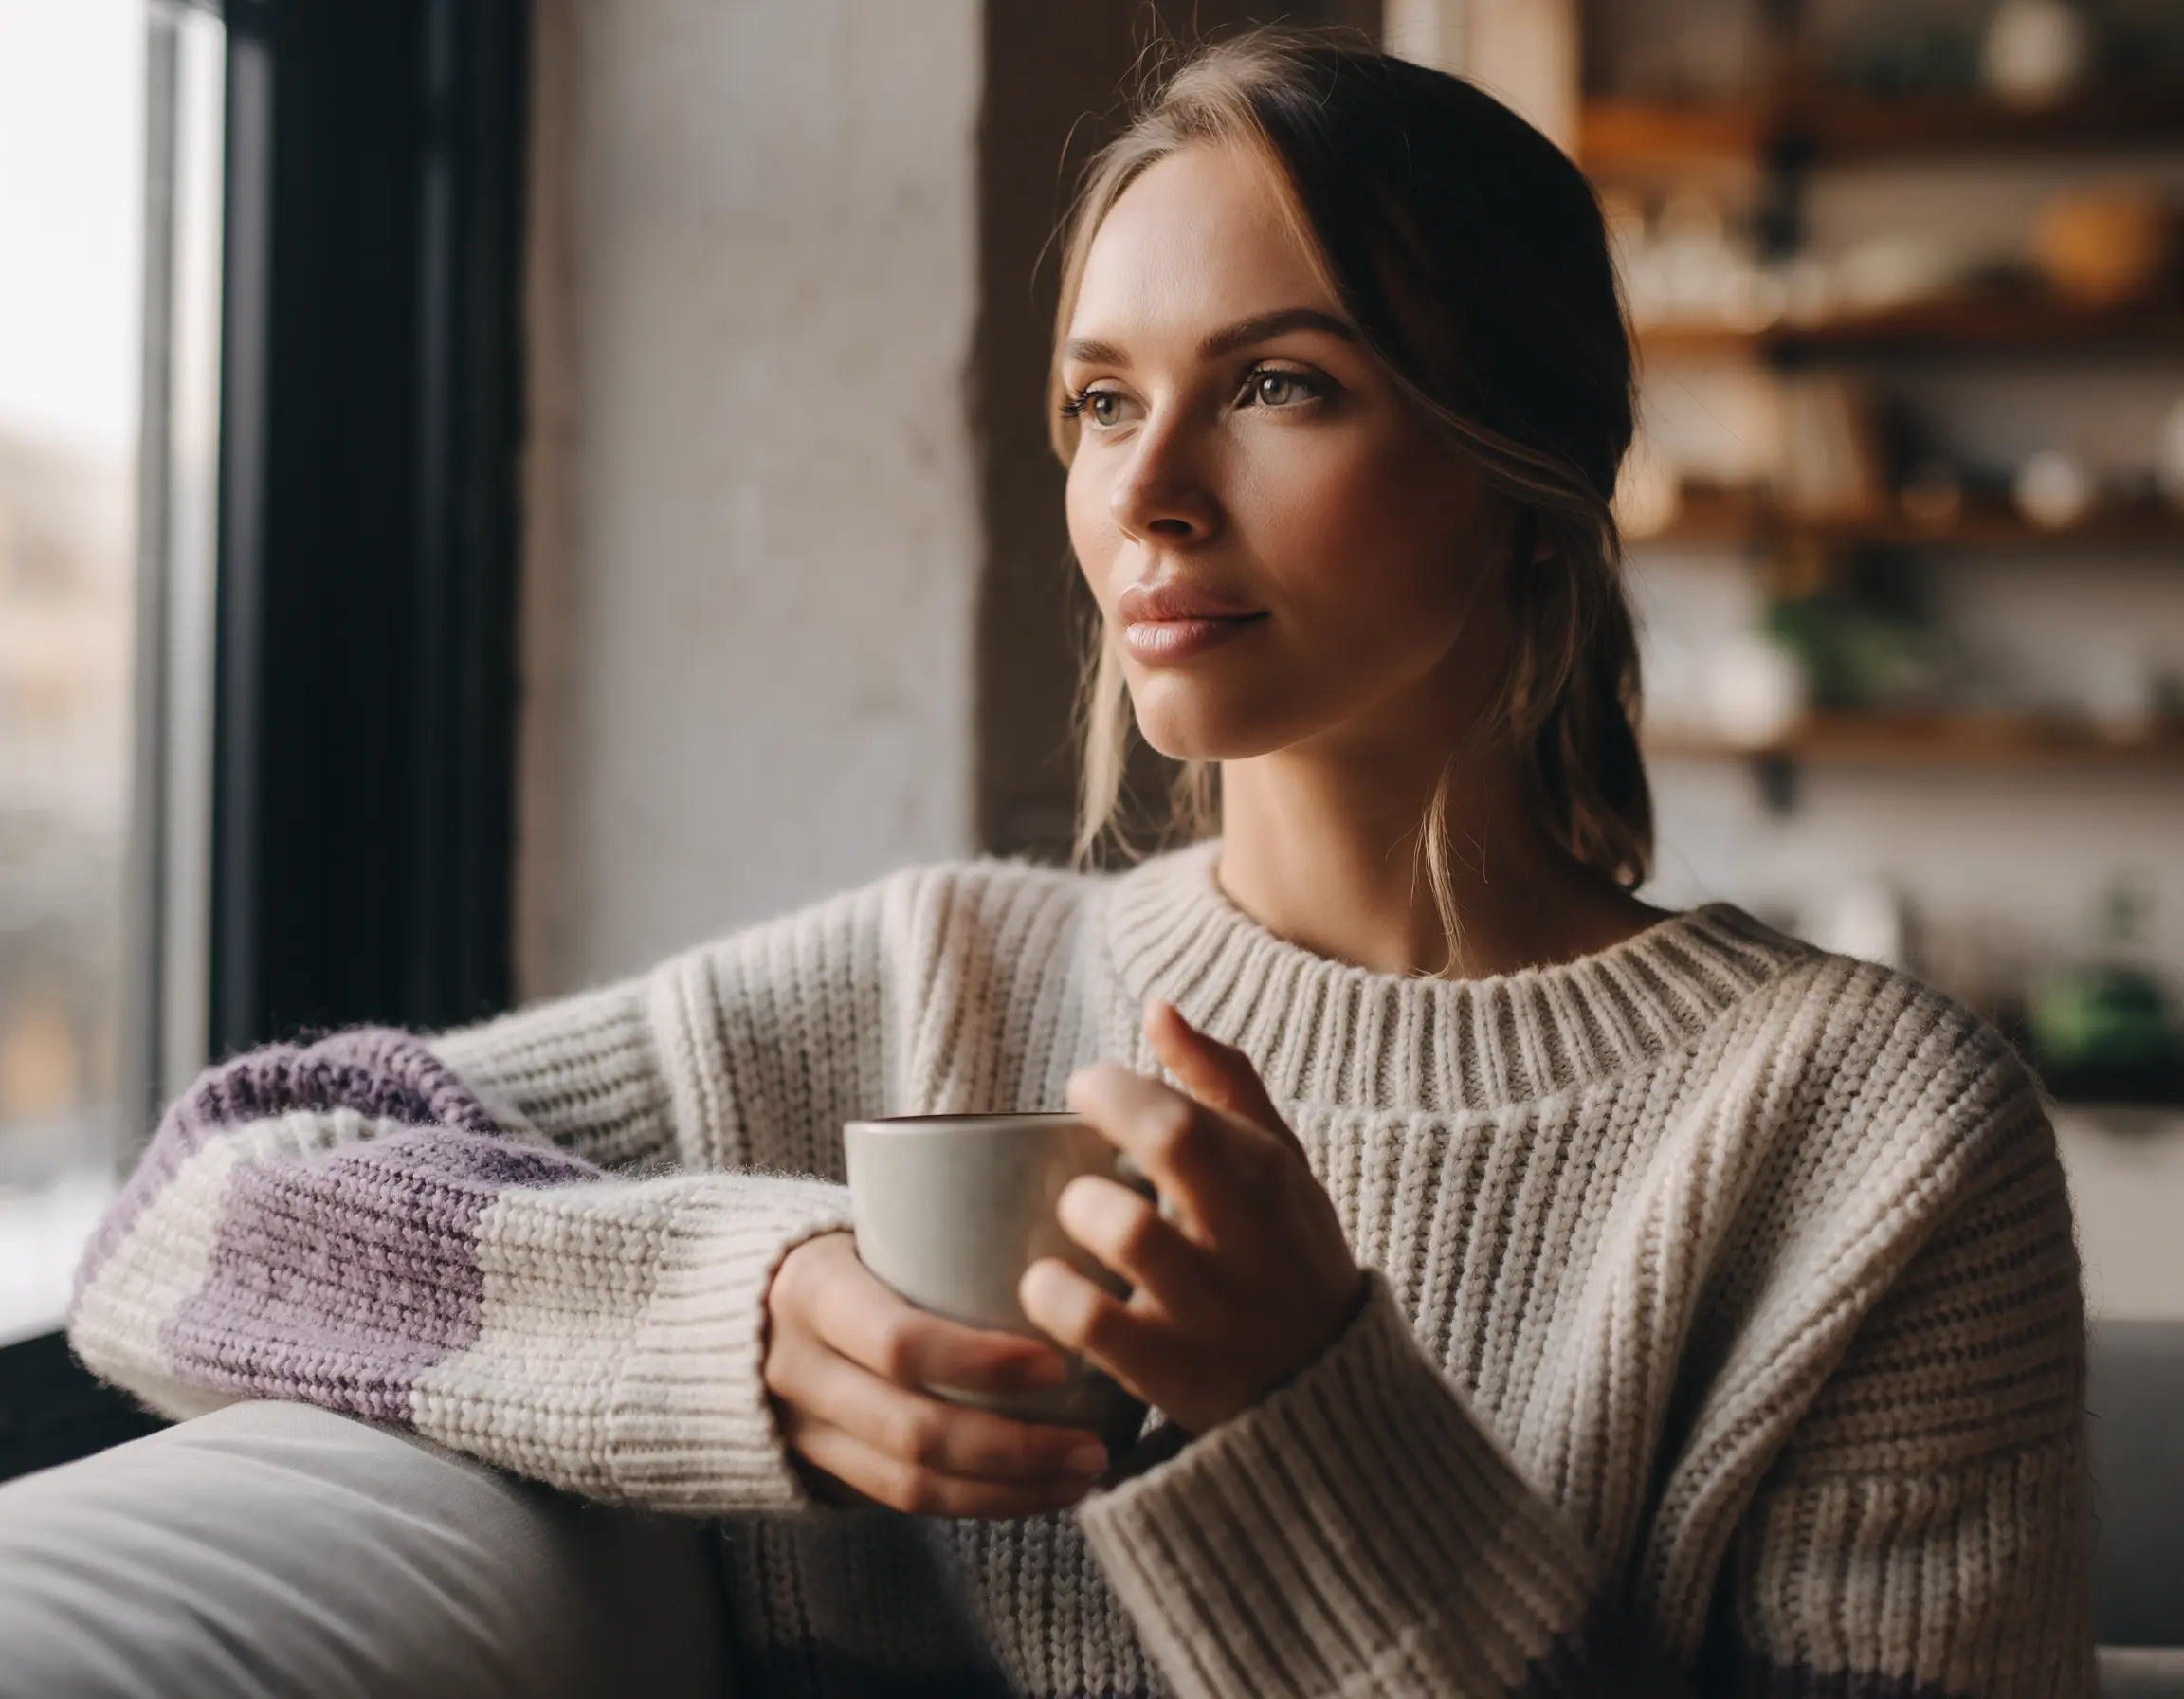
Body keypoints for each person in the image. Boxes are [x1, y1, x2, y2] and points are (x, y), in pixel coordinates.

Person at [1, 27, 2092, 1699]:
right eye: (1102, 399)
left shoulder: (1867, 1138)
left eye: (1281, 383)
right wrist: (757, 1315)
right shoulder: (938, 983)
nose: (1150, 495)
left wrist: (1302, 1416)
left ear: (1522, 477)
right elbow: (192, 1218)